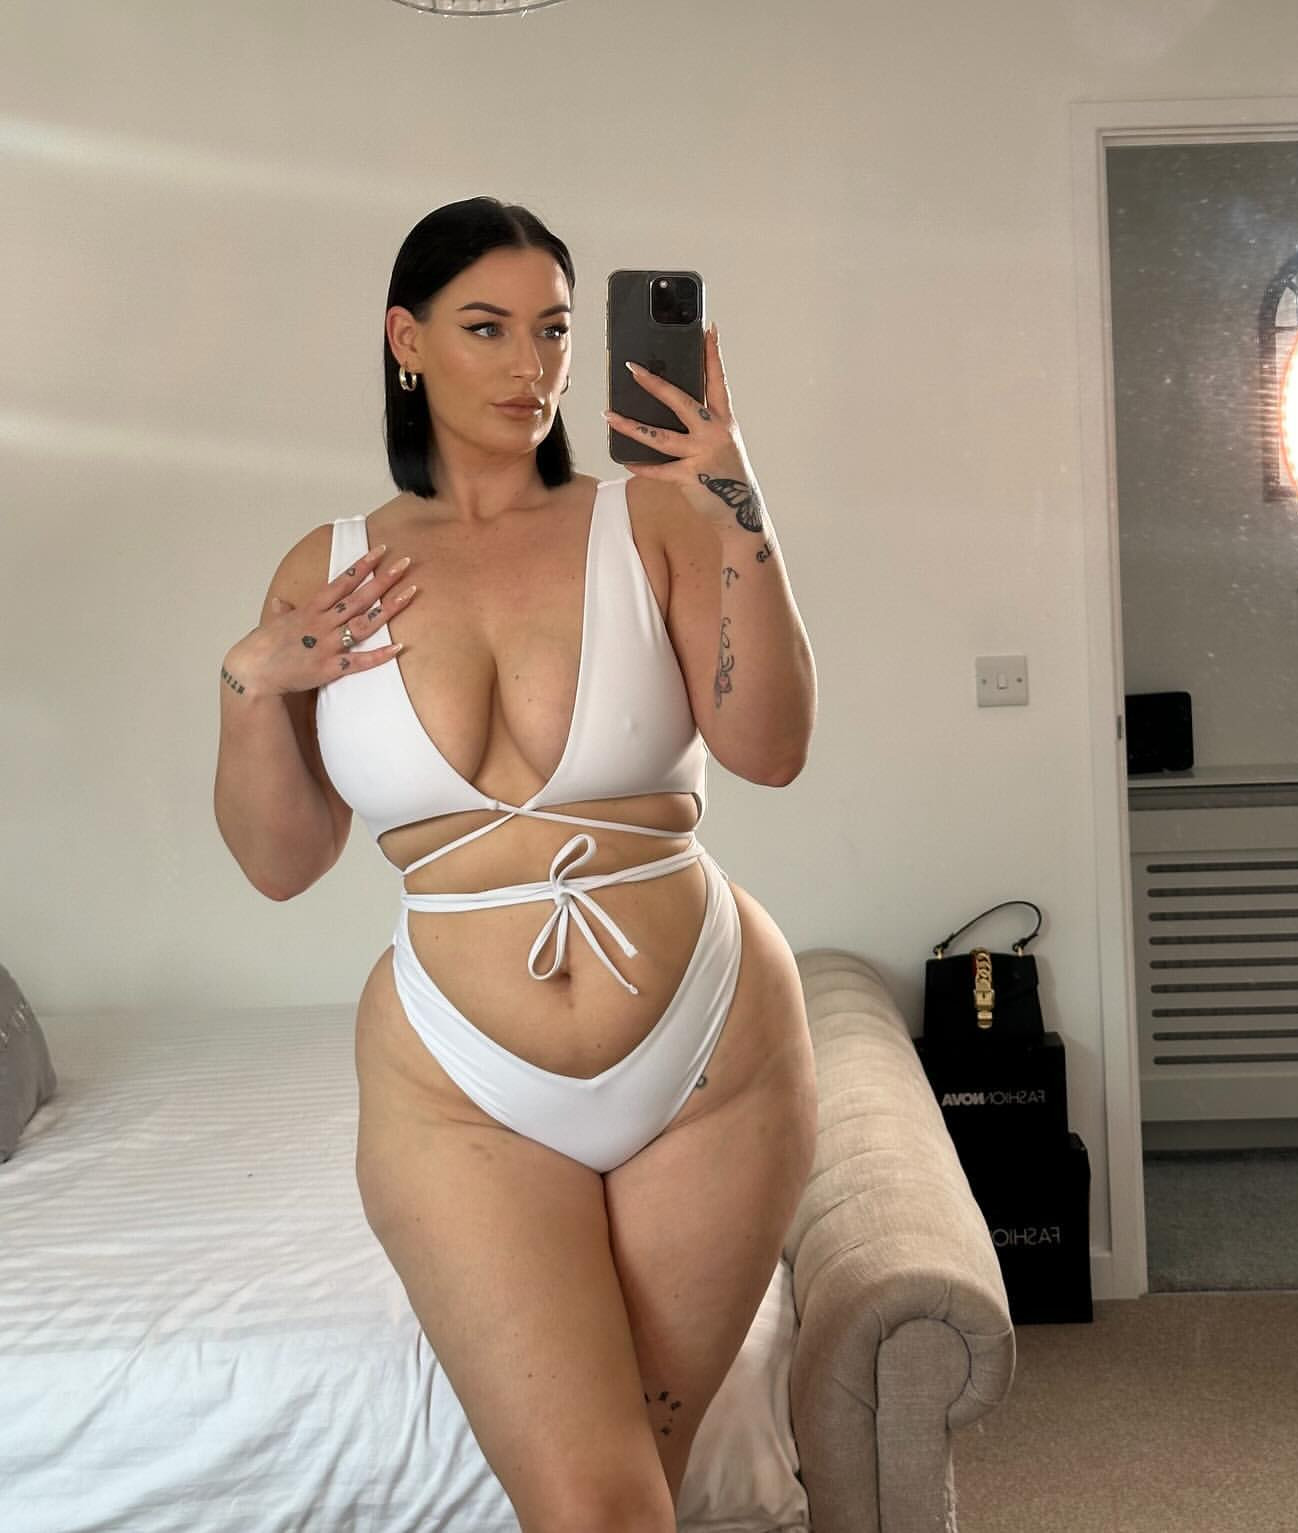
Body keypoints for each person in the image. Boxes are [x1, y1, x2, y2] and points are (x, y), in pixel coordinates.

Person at [213, 197, 819, 1531]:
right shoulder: (330, 568)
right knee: (600, 1506)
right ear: (406, 340)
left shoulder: (651, 519)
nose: (531, 364)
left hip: (708, 1052)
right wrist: (250, 685)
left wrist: (732, 491)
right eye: (487, 328)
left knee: (629, 1500)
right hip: (459, 1083)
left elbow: (771, 748)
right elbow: (282, 863)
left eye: (553, 329)